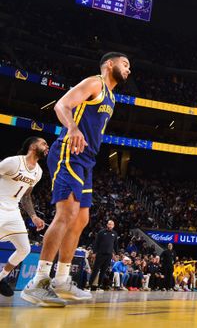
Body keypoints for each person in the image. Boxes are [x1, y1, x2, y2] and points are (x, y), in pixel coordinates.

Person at [22, 52, 130, 307]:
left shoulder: (112, 97)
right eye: (125, 64)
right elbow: (62, 105)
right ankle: (38, 281)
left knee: (81, 219)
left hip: (87, 160)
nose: (129, 70)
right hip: (69, 152)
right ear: (109, 64)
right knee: (66, 214)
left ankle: (61, 279)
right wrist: (72, 127)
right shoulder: (95, 82)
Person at [0, 137, 47, 298]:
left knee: (24, 249)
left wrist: (33, 216)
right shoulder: (13, 162)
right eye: (44, 143)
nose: (47, 147)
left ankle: (1, 277)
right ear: (33, 146)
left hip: (13, 211)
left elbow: (26, 196)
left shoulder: (38, 172)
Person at [90, 220, 119, 291]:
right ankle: (90, 285)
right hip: (100, 254)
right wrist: (94, 252)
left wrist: (117, 254)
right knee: (95, 270)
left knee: (103, 271)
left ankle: (99, 286)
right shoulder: (101, 232)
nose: (110, 226)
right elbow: (96, 242)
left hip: (109, 255)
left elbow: (115, 245)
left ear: (113, 226)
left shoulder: (114, 234)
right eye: (109, 224)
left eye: (111, 224)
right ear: (107, 225)